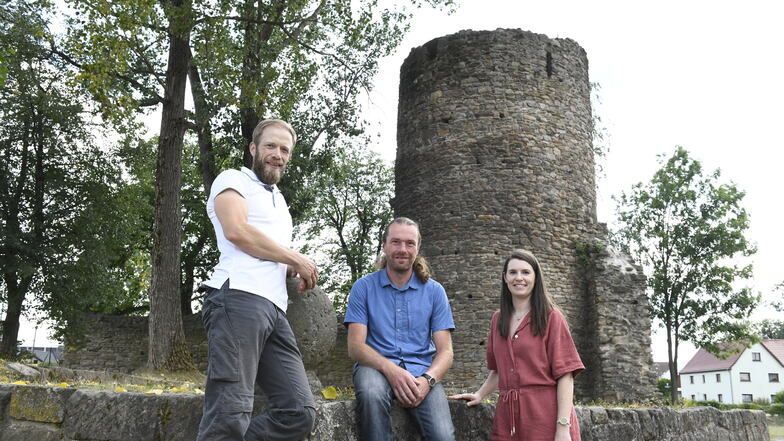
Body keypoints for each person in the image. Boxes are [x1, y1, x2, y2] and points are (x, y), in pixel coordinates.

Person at [196, 119, 318, 441]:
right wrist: (294, 257)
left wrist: (288, 266)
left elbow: (267, 250)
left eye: (284, 150)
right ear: (253, 148)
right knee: (230, 411)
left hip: (275, 309)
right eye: (270, 146)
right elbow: (237, 231)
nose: (277, 154)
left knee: (299, 411)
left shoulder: (280, 202)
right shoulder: (234, 179)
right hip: (237, 299)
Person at [450, 249, 584, 441]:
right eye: (513, 272)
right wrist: (479, 394)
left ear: (536, 278)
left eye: (525, 272)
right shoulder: (498, 320)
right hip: (507, 420)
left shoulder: (552, 318)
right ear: (505, 277)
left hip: (545, 417)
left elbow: (566, 375)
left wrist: (563, 428)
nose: (518, 278)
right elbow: (499, 371)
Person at [344, 217, 456, 441]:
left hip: (421, 372)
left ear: (417, 248)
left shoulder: (435, 292)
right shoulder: (363, 288)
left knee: (443, 436)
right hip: (373, 367)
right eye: (396, 242)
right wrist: (391, 370)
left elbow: (446, 352)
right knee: (371, 394)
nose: (402, 249)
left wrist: (428, 380)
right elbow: (355, 347)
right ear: (384, 245)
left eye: (409, 243)